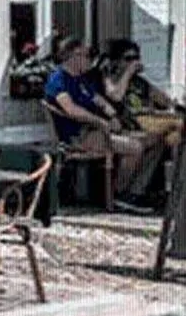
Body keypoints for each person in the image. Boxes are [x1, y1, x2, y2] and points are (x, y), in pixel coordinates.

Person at [45, 41, 164, 209]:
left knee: (156, 140)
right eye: (88, 56)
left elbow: (99, 100)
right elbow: (71, 109)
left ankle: (135, 192)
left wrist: (112, 115)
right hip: (79, 136)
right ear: (73, 56)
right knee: (135, 147)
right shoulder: (57, 79)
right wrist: (100, 121)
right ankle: (119, 195)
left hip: (99, 131)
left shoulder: (80, 80)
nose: (91, 60)